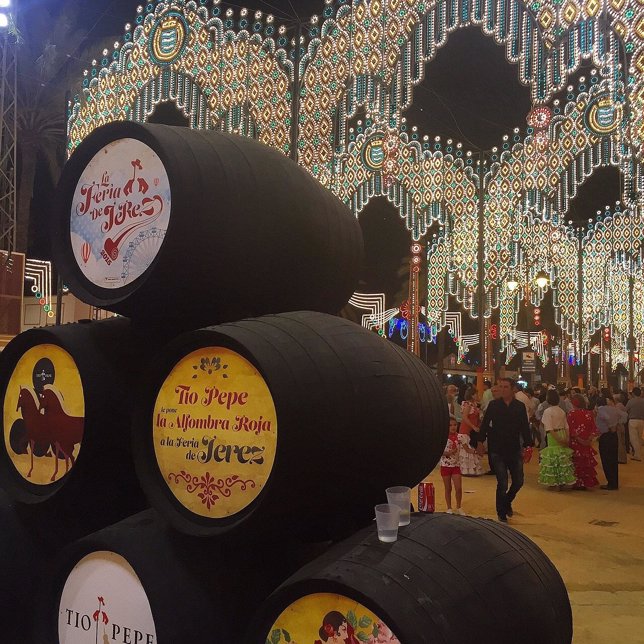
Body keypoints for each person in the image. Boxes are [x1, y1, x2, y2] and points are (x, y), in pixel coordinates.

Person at [477, 378, 532, 522]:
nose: (502, 389)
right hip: (497, 448)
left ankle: (506, 501)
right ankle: (501, 512)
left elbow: (524, 427)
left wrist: (528, 445)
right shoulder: (493, 405)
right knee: (502, 481)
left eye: (505, 387)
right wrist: (480, 441)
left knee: (518, 481)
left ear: (512, 389)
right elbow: (485, 424)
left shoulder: (519, 407)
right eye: (500, 387)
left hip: (514, 448)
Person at [538, 390, 576, 490]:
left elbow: (549, 428)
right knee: (562, 457)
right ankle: (562, 481)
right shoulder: (561, 410)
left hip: (553, 436)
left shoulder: (548, 411)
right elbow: (566, 425)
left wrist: (558, 439)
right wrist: (566, 438)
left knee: (553, 457)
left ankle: (554, 481)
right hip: (562, 432)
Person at [567, 394, 600, 489]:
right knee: (585, 462)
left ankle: (576, 482)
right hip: (586, 442)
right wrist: (589, 439)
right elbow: (594, 428)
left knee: (576, 462)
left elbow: (570, 428)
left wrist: (578, 438)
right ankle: (585, 482)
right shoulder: (589, 413)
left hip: (576, 442)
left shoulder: (571, 413)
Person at [595, 396, 627, 490]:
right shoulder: (613, 409)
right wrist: (617, 424)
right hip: (613, 436)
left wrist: (611, 426)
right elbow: (625, 415)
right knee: (613, 459)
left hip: (605, 436)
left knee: (606, 460)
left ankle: (610, 483)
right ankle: (614, 482)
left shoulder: (600, 410)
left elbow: (606, 417)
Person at [439, 416, 468, 515]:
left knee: (458, 488)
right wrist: (449, 453)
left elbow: (467, 448)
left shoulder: (460, 437)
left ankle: (459, 507)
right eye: (450, 425)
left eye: (455, 425)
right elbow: (439, 451)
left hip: (456, 466)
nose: (453, 427)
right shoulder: (442, 437)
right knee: (448, 488)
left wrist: (476, 451)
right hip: (445, 466)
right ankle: (449, 507)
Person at [458, 389, 484, 476]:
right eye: (476, 394)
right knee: (467, 448)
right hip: (466, 429)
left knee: (472, 446)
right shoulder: (468, 405)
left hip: (473, 430)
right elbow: (465, 417)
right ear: (472, 395)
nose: (478, 396)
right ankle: (467, 470)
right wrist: (473, 426)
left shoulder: (475, 405)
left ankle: (471, 470)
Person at [626, 387, 644, 461]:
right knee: (639, 438)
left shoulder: (631, 401)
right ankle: (637, 454)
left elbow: (625, 409)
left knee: (633, 439)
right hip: (642, 421)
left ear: (633, 393)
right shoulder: (643, 401)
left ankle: (638, 455)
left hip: (632, 421)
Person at [613, 392, 629, 464]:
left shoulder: (618, 406)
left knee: (619, 442)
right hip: (622, 425)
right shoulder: (622, 406)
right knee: (622, 442)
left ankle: (620, 458)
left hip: (618, 425)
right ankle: (623, 457)